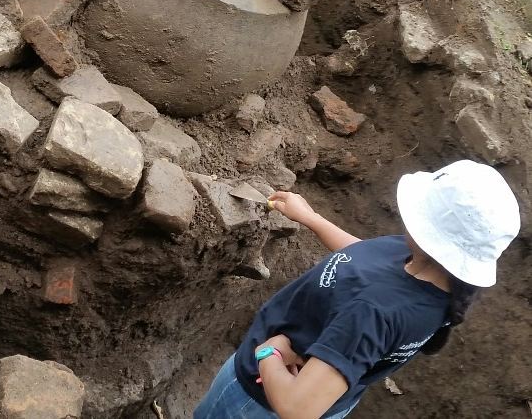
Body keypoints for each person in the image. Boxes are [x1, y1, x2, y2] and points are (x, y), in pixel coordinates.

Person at [194, 159, 520, 419]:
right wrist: (313, 219)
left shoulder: (373, 312)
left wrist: (269, 352)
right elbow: (365, 259)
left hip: (257, 401)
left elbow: (298, 408)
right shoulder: (430, 272)